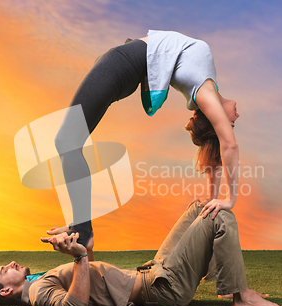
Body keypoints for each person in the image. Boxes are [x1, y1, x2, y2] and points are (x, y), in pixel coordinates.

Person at [53, 30, 240, 259]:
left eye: (229, 124)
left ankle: (82, 231)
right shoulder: (209, 86)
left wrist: (229, 199)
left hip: (122, 63)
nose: (235, 120)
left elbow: (228, 145)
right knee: (68, 142)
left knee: (66, 142)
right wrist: (212, 197)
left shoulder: (204, 92)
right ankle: (80, 228)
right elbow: (215, 150)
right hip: (125, 63)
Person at [0, 202, 282, 306]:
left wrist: (83, 244)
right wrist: (81, 257)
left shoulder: (36, 281)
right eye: (4, 271)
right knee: (219, 216)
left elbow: (89, 283)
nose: (11, 264)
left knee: (198, 209)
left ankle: (230, 284)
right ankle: (241, 296)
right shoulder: (37, 292)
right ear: (4, 291)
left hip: (153, 271)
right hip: (162, 287)